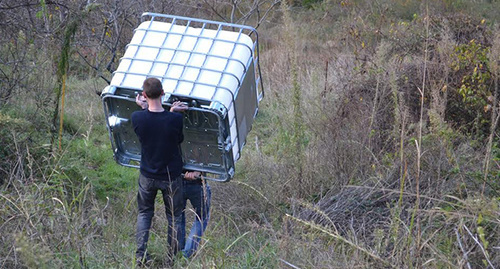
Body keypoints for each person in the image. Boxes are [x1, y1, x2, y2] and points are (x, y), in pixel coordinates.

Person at [131, 77, 188, 266]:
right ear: (163, 93)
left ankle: (140, 257)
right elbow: (177, 138)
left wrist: (143, 107)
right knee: (174, 217)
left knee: (144, 214)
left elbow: (149, 121)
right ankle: (170, 261)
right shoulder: (175, 119)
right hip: (171, 177)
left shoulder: (137, 117)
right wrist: (172, 112)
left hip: (147, 176)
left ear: (144, 95)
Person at [181, 171, 212, 258]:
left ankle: (178, 254)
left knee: (177, 218)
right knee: (202, 218)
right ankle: (186, 254)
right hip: (197, 183)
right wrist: (198, 171)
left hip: (176, 179)